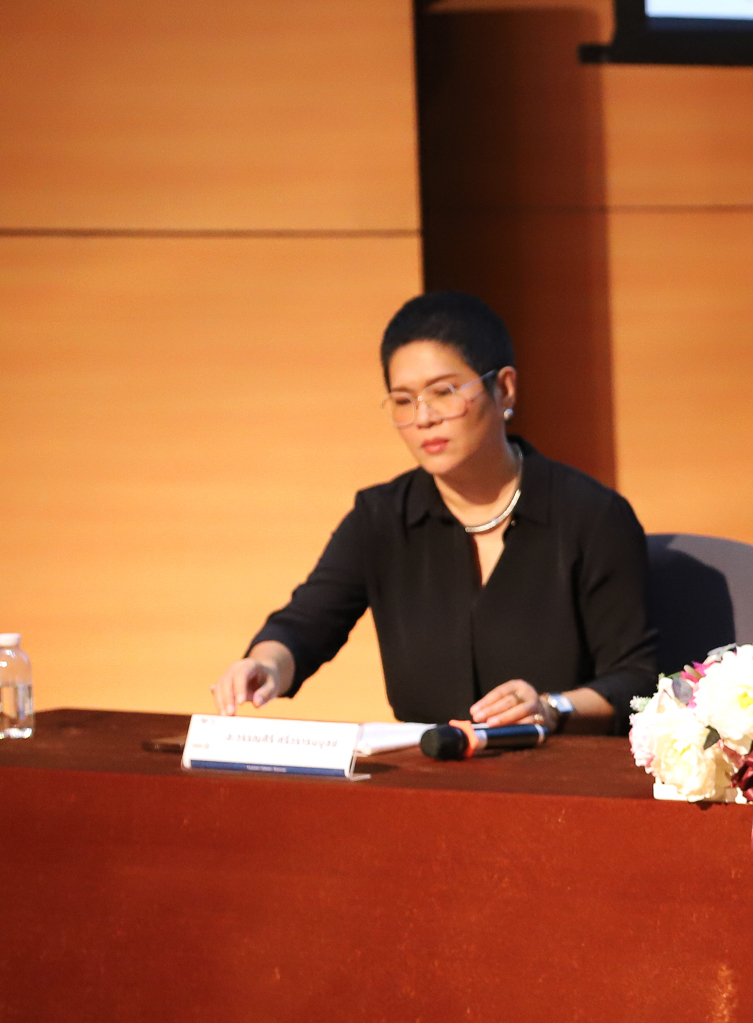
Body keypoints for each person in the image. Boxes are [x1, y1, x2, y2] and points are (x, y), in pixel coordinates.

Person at [209, 293, 656, 730]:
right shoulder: (381, 518)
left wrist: (551, 706)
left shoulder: (591, 516)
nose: (423, 418)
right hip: (428, 767)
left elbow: (636, 681)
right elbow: (303, 627)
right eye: (403, 401)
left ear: (503, 389)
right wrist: (265, 665)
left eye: (443, 392)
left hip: (559, 769)